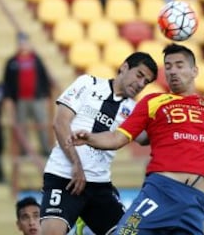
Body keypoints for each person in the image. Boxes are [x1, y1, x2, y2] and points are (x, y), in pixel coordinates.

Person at [73, 44, 204, 235]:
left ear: (194, 71)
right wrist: (90, 138)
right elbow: (118, 138)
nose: (172, 71)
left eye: (179, 65)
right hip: (161, 192)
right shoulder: (153, 102)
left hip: (195, 203)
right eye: (167, 67)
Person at [40, 52, 158, 235]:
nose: (141, 84)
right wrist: (76, 165)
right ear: (124, 67)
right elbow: (60, 123)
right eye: (139, 75)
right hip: (64, 177)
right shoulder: (87, 83)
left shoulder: (133, 110)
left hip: (99, 185)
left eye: (146, 82)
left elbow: (146, 139)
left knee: (129, 232)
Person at [3, 32, 54, 156]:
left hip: (37, 98)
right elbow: (7, 82)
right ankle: (24, 150)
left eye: (25, 42)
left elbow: (44, 77)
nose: (23, 45)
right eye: (20, 42)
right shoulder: (12, 62)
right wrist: (8, 98)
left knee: (41, 123)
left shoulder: (36, 60)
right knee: (22, 126)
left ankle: (45, 147)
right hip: (20, 100)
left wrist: (46, 95)